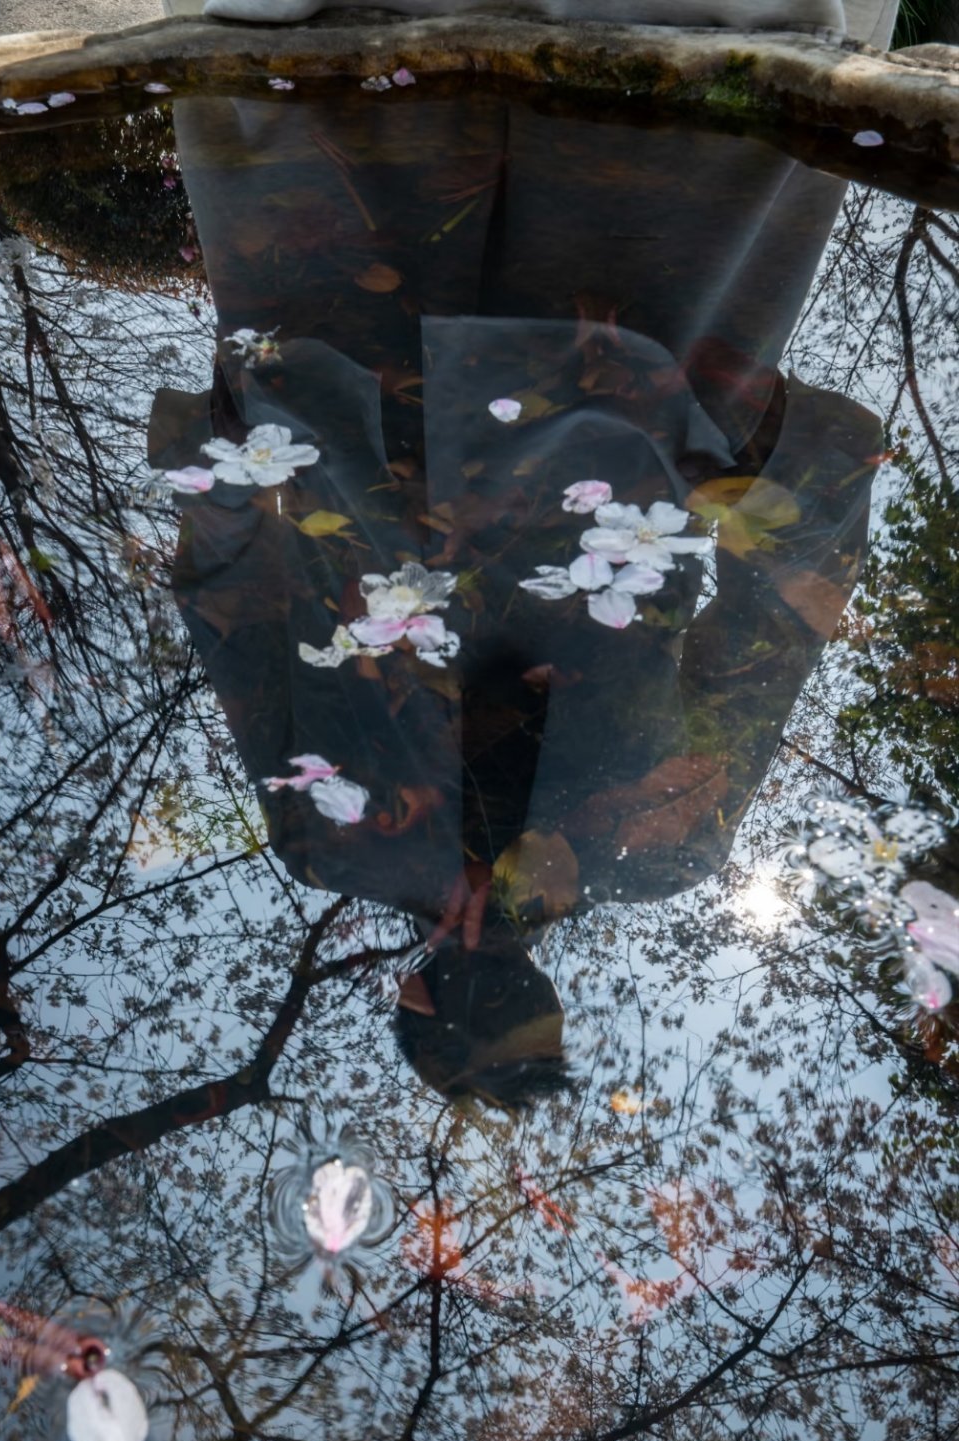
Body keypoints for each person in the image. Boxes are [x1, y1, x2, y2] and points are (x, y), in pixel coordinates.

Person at [156, 79, 889, 1101]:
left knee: (649, 91)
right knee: (618, 85)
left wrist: (741, 449)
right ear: (415, 996)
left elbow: (781, 618)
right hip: (501, 363)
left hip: (556, 373)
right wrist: (230, 451)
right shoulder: (343, 847)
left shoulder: (646, 851)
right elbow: (232, 606)